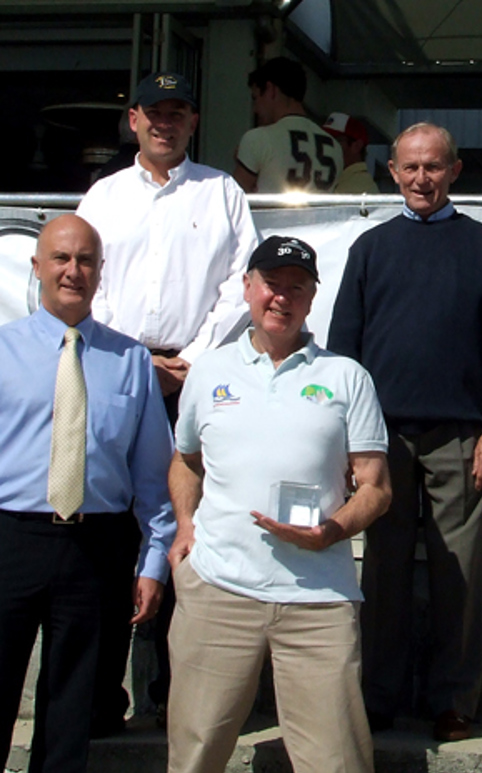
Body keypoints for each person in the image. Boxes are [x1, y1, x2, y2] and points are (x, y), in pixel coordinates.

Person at [327, 122, 482, 743]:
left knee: (459, 572)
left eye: (434, 167)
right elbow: (344, 350)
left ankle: (454, 700)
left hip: (460, 438)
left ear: (455, 171)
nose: (422, 179)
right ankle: (379, 697)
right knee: (382, 571)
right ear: (393, 173)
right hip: (380, 438)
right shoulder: (370, 249)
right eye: (410, 168)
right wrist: (343, 439)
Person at [166, 235, 391, 773]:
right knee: (194, 756)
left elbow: (377, 487)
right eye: (271, 285)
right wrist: (183, 525)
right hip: (218, 589)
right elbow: (185, 461)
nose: (282, 298)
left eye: (297, 288)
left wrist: (332, 531)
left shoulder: (347, 378)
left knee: (337, 763)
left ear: (313, 298)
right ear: (248, 287)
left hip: (318, 599)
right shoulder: (209, 372)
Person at [76, 69, 258, 731]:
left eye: (177, 111)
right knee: (105, 533)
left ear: (191, 121)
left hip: (192, 375)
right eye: (154, 112)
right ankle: (98, 698)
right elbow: (82, 276)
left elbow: (243, 287)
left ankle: (172, 699)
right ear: (133, 119)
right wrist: (132, 359)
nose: (165, 123)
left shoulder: (222, 193)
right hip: (114, 371)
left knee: (187, 533)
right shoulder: (104, 196)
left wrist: (192, 362)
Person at [0, 214, 174, 773]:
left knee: (72, 708)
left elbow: (153, 478)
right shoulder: (3, 351)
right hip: (12, 538)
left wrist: (151, 565)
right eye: (61, 259)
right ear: (37, 267)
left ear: (101, 272)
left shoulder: (131, 363)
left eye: (85, 261)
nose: (73, 271)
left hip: (97, 546)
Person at [234, 57, 343, 194]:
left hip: (271, 216)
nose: (255, 109)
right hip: (319, 216)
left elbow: (235, 200)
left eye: (255, 98)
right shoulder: (335, 147)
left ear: (270, 89)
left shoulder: (257, 138)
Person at [322, 112, 379, 194]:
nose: (328, 146)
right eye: (325, 140)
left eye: (335, 140)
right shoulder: (346, 179)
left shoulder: (358, 186)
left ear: (357, 146)